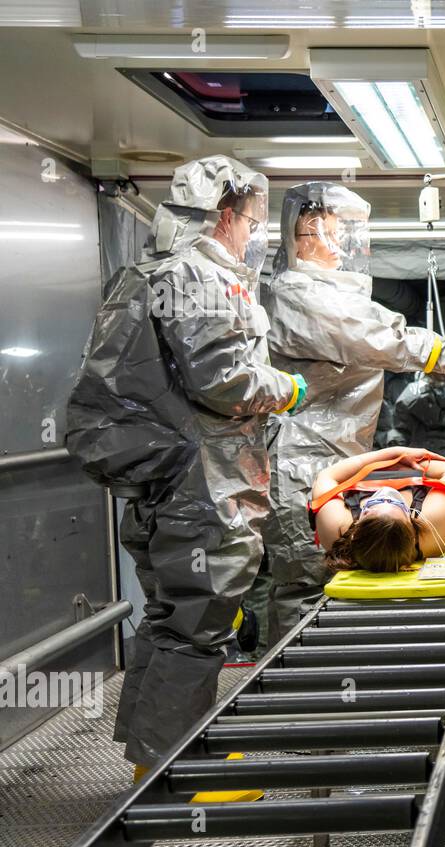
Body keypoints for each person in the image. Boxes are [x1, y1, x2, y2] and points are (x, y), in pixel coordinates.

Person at [66, 155, 306, 779]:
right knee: (200, 623)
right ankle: (171, 773)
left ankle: (148, 756)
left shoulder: (149, 270)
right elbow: (223, 381)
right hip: (201, 479)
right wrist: (285, 387)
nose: (254, 236)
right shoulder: (198, 275)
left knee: (171, 617)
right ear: (226, 216)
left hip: (162, 475)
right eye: (253, 223)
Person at [261, 182, 445, 642]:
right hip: (304, 458)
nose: (340, 245)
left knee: (323, 591)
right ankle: (303, 686)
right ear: (304, 239)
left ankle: (324, 680)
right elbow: (369, 334)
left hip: (331, 457)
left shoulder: (321, 292)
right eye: (329, 234)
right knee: (307, 590)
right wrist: (440, 349)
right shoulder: (300, 294)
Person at [312, 447, 445, 572]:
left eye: (371, 506)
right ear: (411, 530)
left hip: (375, 487)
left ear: (355, 531)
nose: (386, 492)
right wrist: (404, 458)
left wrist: (389, 455)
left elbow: (327, 475)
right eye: (396, 503)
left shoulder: (336, 528)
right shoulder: (432, 524)